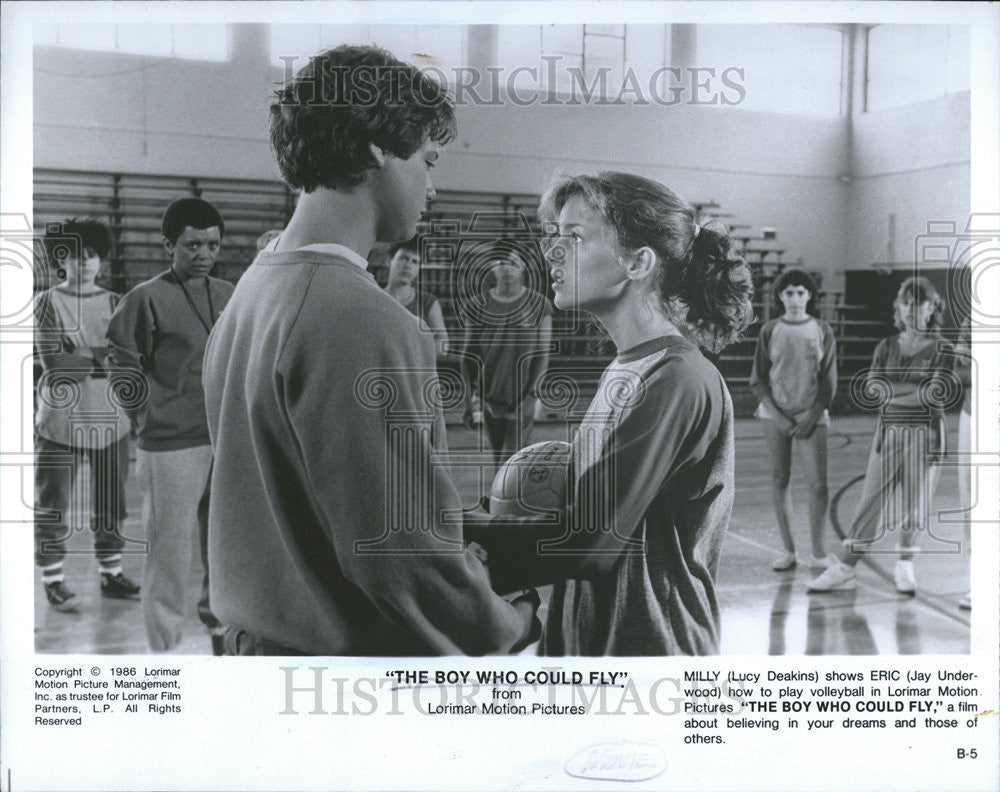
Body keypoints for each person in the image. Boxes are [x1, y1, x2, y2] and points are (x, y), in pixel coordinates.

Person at [201, 44, 540, 656]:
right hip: (345, 676)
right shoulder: (361, 316)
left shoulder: (255, 286)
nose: (433, 187)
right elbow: (397, 555)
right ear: (377, 147)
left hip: (258, 645)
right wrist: (508, 622)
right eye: (429, 161)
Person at [466, 172, 754, 656]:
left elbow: (589, 541)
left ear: (638, 263)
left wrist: (439, 530)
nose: (552, 253)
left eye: (574, 238)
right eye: (554, 238)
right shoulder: (630, 368)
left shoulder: (677, 378)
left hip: (653, 659)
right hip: (591, 644)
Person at [106, 198, 234, 651]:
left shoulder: (227, 293)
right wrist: (147, 417)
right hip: (170, 447)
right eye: (192, 244)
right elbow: (122, 367)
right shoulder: (144, 298)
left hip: (224, 439)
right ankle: (166, 654)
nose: (203, 253)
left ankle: (221, 631)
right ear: (169, 246)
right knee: (169, 554)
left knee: (224, 548)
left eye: (212, 245)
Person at [809, 276, 958, 594]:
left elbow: (932, 395)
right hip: (887, 432)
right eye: (905, 302)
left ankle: (905, 564)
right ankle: (847, 568)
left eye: (918, 302)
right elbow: (874, 389)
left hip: (926, 434)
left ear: (932, 307)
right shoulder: (885, 346)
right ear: (898, 307)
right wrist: (909, 391)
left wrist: (896, 392)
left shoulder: (942, 349)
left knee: (915, 504)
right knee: (870, 501)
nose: (910, 309)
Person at [34, 219, 139, 610]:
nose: (84, 263)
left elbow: (129, 362)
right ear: (60, 261)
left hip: (111, 420)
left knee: (112, 504)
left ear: (102, 259)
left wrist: (79, 354)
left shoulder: (117, 302)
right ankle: (53, 578)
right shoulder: (46, 302)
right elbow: (54, 365)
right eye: (74, 256)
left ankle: (111, 573)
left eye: (91, 255)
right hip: (59, 421)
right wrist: (99, 357)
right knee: (53, 502)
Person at [749, 269, 837, 572]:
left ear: (810, 296)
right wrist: (779, 416)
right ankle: (788, 550)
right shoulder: (769, 330)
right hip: (776, 414)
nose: (795, 299)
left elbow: (828, 382)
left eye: (801, 293)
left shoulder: (822, 329)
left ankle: (818, 552)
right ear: (780, 297)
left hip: (811, 414)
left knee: (818, 485)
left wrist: (811, 416)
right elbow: (758, 380)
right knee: (780, 477)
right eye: (789, 293)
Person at [460, 245, 552, 469]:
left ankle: (500, 503)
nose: (507, 268)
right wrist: (468, 400)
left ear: (522, 267)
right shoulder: (477, 305)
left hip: (522, 395)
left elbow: (542, 353)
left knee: (510, 463)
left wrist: (532, 395)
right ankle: (501, 503)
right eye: (501, 262)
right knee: (499, 462)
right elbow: (467, 356)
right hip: (489, 396)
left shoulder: (539, 304)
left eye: (513, 262)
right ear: (492, 267)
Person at [383, 236, 449, 355]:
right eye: (404, 258)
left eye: (414, 261)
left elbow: (443, 344)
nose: (408, 265)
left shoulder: (428, 302)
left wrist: (412, 354)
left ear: (418, 269)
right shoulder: (376, 296)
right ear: (389, 261)